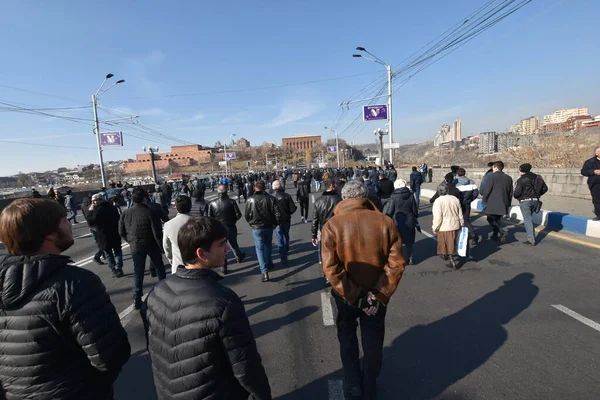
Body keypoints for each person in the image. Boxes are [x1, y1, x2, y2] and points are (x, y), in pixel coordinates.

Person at [0, 198, 130, 399]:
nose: (69, 223)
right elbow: (109, 356)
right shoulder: (75, 283)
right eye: (63, 220)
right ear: (49, 234)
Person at [143, 217, 272, 400]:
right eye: (221, 244)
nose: (228, 249)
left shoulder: (156, 292)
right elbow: (245, 367)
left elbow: (155, 350)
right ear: (201, 254)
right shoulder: (223, 302)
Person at [321, 180, 405, 400]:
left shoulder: (332, 225)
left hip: (346, 296)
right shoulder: (385, 222)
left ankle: (353, 384)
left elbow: (331, 268)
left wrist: (354, 295)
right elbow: (396, 263)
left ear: (344, 199)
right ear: (365, 197)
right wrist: (377, 295)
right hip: (376, 297)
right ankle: (370, 385)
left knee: (347, 339)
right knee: (373, 341)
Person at [119, 188, 168, 309]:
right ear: (145, 199)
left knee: (138, 271)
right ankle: (164, 292)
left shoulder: (126, 212)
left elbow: (121, 231)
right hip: (151, 243)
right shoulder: (149, 211)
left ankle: (136, 297)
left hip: (135, 245)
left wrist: (130, 240)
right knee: (159, 267)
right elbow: (156, 232)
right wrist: (161, 247)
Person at [245, 180, 281, 282]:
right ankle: (269, 262)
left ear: (254, 188)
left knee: (259, 249)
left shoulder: (250, 200)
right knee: (268, 245)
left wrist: (251, 223)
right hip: (268, 225)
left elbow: (247, 215)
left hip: (256, 227)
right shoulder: (271, 198)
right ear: (265, 187)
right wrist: (275, 224)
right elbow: (277, 214)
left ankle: (264, 271)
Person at [207, 184, 246, 274]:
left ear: (218, 192)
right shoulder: (231, 202)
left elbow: (209, 217)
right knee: (234, 243)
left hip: (218, 227)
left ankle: (223, 267)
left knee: (221, 247)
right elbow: (238, 215)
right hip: (230, 226)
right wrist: (232, 220)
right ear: (226, 192)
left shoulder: (212, 203)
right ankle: (239, 257)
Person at [87, 193, 124, 277]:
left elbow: (90, 222)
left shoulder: (97, 211)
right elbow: (118, 218)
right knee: (118, 251)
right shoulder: (113, 207)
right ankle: (119, 266)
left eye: (95, 201)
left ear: (100, 200)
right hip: (114, 233)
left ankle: (115, 270)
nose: (93, 203)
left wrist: (90, 211)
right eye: (92, 201)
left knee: (109, 254)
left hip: (103, 235)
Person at [383, 179, 418, 265]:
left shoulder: (394, 196)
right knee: (409, 241)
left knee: (397, 242)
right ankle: (410, 258)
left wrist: (387, 218)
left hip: (397, 221)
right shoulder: (410, 195)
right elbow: (414, 210)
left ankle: (399, 259)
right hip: (409, 220)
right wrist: (415, 217)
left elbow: (390, 210)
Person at [311, 178, 342, 270]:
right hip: (338, 228)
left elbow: (315, 220)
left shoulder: (318, 201)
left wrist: (314, 235)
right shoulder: (339, 199)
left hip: (324, 229)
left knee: (325, 252)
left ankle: (327, 273)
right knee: (338, 250)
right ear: (332, 186)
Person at [514, 163, 548, 245]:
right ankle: (531, 237)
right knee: (529, 218)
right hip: (535, 201)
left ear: (521, 170)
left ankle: (531, 239)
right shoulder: (538, 178)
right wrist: (537, 195)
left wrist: (516, 195)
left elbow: (517, 193)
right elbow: (545, 188)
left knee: (528, 220)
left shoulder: (521, 180)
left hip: (525, 202)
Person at [432, 183, 464, 269]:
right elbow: (460, 213)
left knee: (445, 244)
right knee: (452, 243)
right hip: (455, 224)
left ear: (438, 192)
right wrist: (461, 223)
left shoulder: (438, 201)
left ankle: (452, 261)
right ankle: (450, 258)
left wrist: (435, 227)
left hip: (444, 227)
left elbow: (438, 217)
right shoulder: (455, 199)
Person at [482, 161, 514, 243]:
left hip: (493, 202)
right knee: (498, 219)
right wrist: (508, 203)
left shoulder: (491, 177)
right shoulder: (508, 178)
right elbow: (510, 192)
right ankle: (495, 235)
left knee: (490, 218)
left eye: (493, 167)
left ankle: (501, 231)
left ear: (495, 167)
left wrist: (484, 200)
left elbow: (487, 190)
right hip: (504, 201)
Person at [163, 195, 193, 274]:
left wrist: (170, 257)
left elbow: (166, 245)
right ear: (190, 206)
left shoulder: (168, 225)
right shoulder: (199, 222)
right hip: (197, 265)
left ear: (176, 208)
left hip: (178, 265)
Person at [273, 179, 297, 265]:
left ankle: (283, 256)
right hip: (286, 219)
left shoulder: (271, 197)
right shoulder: (286, 196)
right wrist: (287, 212)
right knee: (286, 235)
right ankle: (285, 249)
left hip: (276, 221)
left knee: (279, 237)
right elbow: (293, 208)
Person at [456, 168, 482, 246]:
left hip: (457, 204)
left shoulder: (455, 182)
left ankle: (459, 237)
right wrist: (470, 199)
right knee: (466, 221)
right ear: (465, 173)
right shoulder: (471, 182)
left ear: (457, 174)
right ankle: (474, 234)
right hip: (467, 203)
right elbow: (476, 192)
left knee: (457, 221)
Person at [580, 146, 600, 221]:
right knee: (597, 200)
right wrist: (593, 171)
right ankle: (599, 214)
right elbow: (583, 172)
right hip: (595, 184)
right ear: (597, 153)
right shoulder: (590, 162)